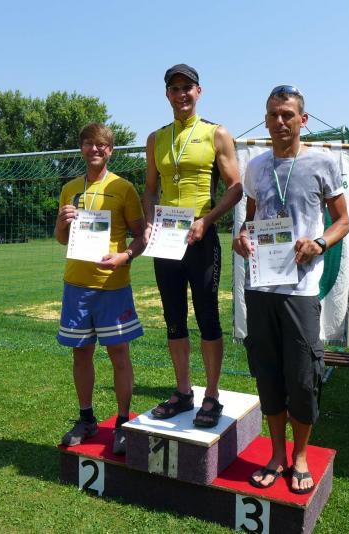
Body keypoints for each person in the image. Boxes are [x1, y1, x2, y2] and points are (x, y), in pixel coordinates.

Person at [233, 85, 349, 493]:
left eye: (287, 114)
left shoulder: (323, 163)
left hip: (300, 290)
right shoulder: (255, 167)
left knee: (301, 377)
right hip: (261, 286)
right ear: (265, 120)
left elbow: (342, 221)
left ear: (303, 119)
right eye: (273, 114)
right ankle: (277, 454)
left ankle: (300, 455)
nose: (280, 121)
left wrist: (319, 243)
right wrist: (242, 237)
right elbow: (250, 221)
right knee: (268, 374)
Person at [143, 64, 242, 427]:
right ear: (167, 94)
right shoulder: (155, 139)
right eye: (174, 88)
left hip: (201, 238)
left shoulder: (217, 133)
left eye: (187, 87)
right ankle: (184, 392)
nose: (181, 94)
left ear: (198, 91)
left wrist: (207, 220)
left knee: (207, 317)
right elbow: (150, 189)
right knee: (173, 318)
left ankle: (211, 396)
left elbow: (235, 188)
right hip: (167, 240)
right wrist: (150, 222)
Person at [55, 123, 146, 455]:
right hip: (76, 285)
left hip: (112, 286)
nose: (94, 149)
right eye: (88, 143)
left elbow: (141, 236)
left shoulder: (123, 188)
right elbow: (61, 238)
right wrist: (62, 222)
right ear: (81, 148)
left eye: (101, 145)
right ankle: (86, 419)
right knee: (81, 353)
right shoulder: (69, 189)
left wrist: (124, 256)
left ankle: (122, 422)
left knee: (118, 354)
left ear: (111, 150)